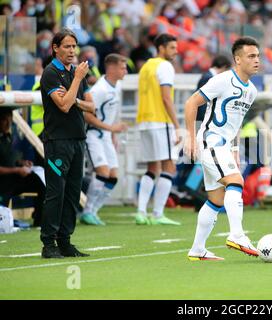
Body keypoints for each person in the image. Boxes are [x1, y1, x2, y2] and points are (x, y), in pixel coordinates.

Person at [183, 36, 261, 261]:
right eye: (251, 56)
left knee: (216, 199)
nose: (257, 60)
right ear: (238, 59)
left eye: (258, 56)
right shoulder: (223, 80)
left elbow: (235, 123)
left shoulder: (252, 90)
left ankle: (197, 249)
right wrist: (190, 138)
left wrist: (235, 149)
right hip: (211, 141)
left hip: (224, 146)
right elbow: (191, 103)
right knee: (236, 182)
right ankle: (237, 234)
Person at [39, 28, 95, 259]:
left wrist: (74, 97)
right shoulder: (51, 73)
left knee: (73, 192)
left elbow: (91, 107)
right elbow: (62, 106)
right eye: (67, 46)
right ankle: (48, 244)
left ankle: (65, 241)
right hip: (57, 141)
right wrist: (77, 83)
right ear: (55, 48)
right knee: (56, 192)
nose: (72, 51)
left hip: (77, 139)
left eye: (74, 46)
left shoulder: (75, 71)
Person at [134, 33, 181, 226]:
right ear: (161, 48)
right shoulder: (165, 66)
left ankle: (141, 212)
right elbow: (166, 98)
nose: (175, 52)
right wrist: (177, 126)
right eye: (171, 48)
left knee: (152, 168)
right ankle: (157, 213)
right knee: (169, 167)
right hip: (160, 122)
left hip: (144, 121)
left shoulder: (146, 66)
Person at [80, 53, 128, 226]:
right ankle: (87, 211)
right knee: (103, 173)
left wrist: (113, 134)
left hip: (107, 137)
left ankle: (93, 211)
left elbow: (110, 114)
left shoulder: (117, 87)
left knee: (113, 177)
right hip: (94, 135)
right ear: (112, 68)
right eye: (122, 67)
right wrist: (111, 129)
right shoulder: (99, 90)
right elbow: (86, 115)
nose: (126, 71)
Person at [0, 108, 46, 228]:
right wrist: (17, 170)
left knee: (41, 183)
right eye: (4, 120)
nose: (8, 123)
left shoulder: (7, 137)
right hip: (3, 181)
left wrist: (21, 163)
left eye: (10, 119)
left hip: (13, 178)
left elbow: (9, 159)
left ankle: (39, 221)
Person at [195, 55, 232, 123]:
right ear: (224, 67)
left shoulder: (209, 76)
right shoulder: (208, 78)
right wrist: (206, 118)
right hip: (202, 119)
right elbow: (202, 101)